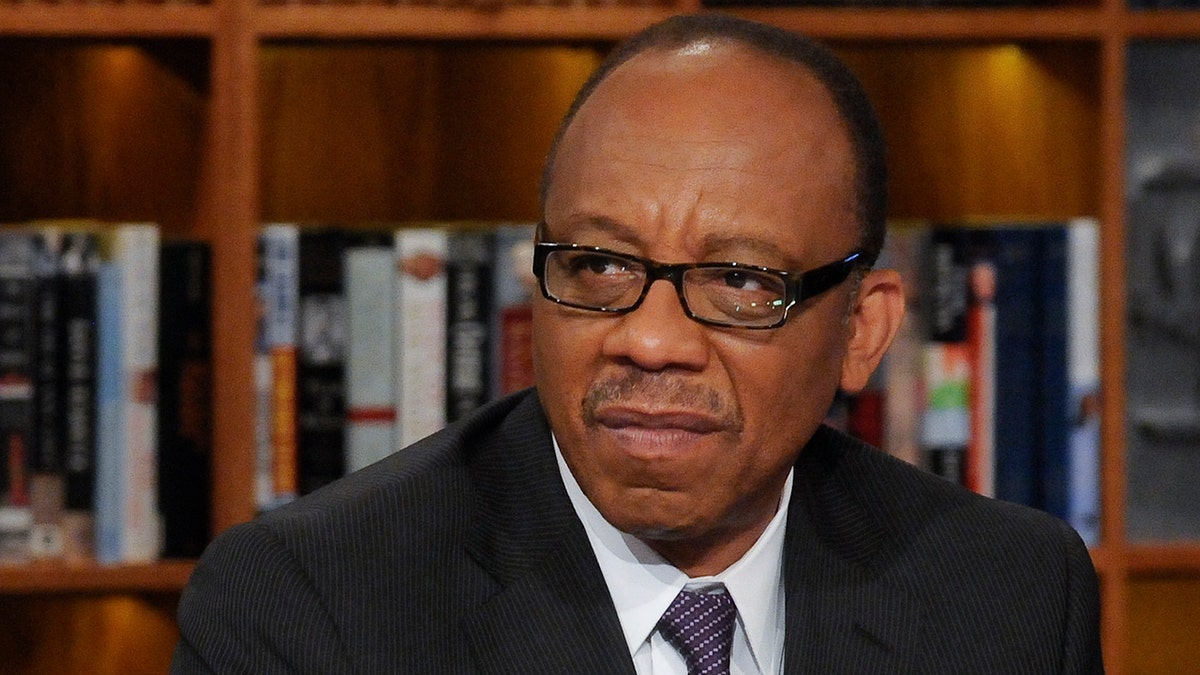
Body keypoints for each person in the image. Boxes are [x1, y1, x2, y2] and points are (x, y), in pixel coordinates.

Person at [171, 13, 1103, 674]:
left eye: (740, 280)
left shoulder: (1008, 595)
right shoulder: (310, 608)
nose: (652, 341)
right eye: (599, 267)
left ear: (861, 329)